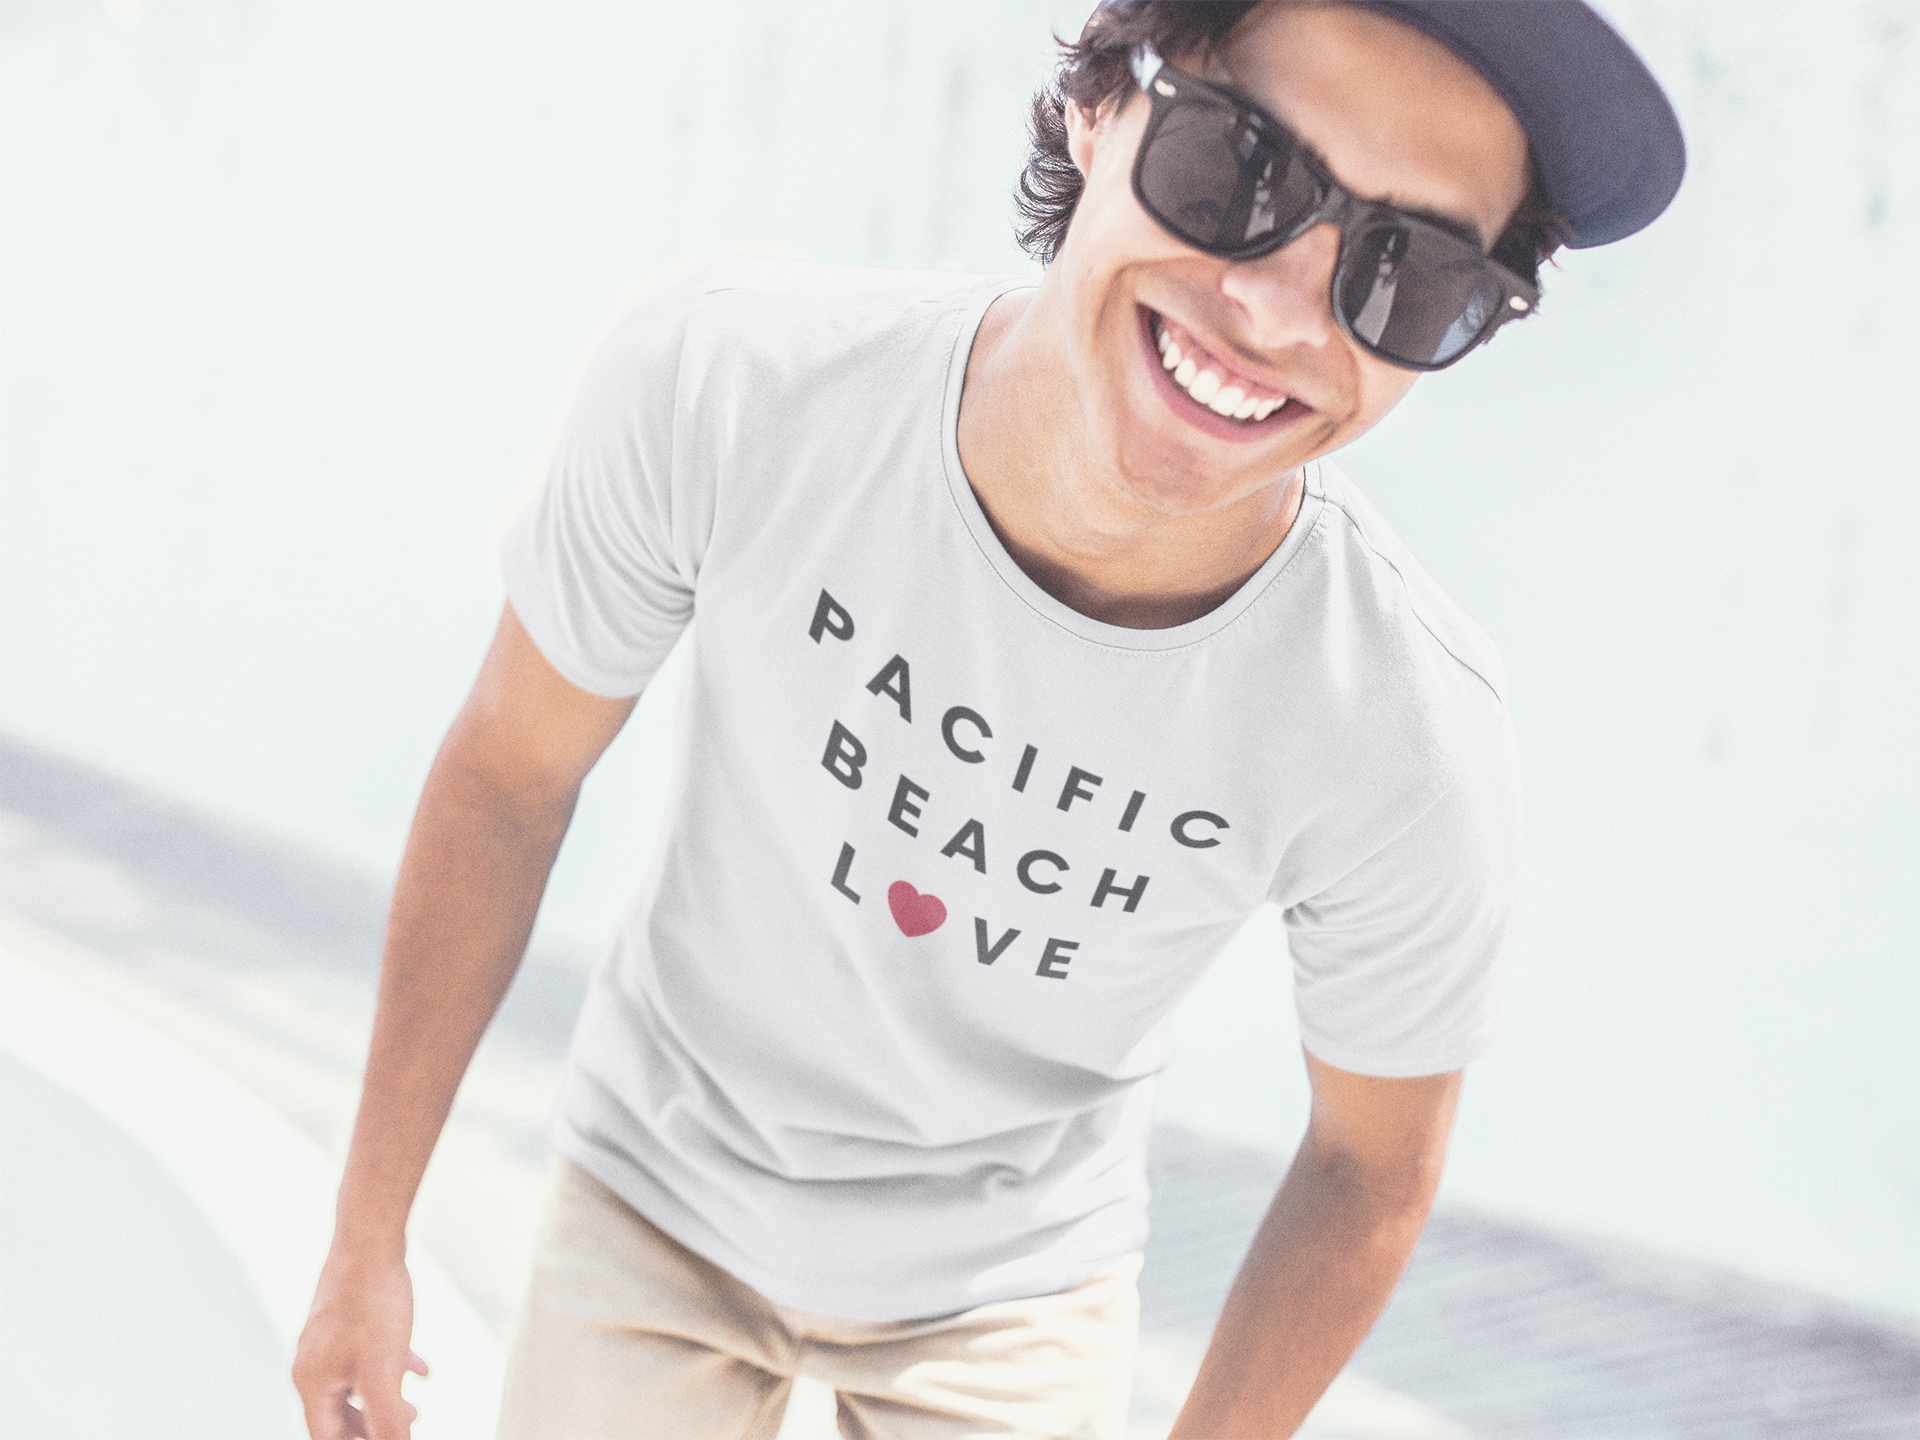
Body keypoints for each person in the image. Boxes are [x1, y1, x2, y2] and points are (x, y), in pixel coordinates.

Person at [292, 2, 1684, 1437]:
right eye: (1238, 169)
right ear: (1097, 107)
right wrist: (364, 1239)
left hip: (1013, 1291)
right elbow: (514, 775)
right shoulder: (735, 384)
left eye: (1410, 273)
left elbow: (1371, 1166)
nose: (1277, 308)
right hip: (657, 1178)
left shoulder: (1400, 727)